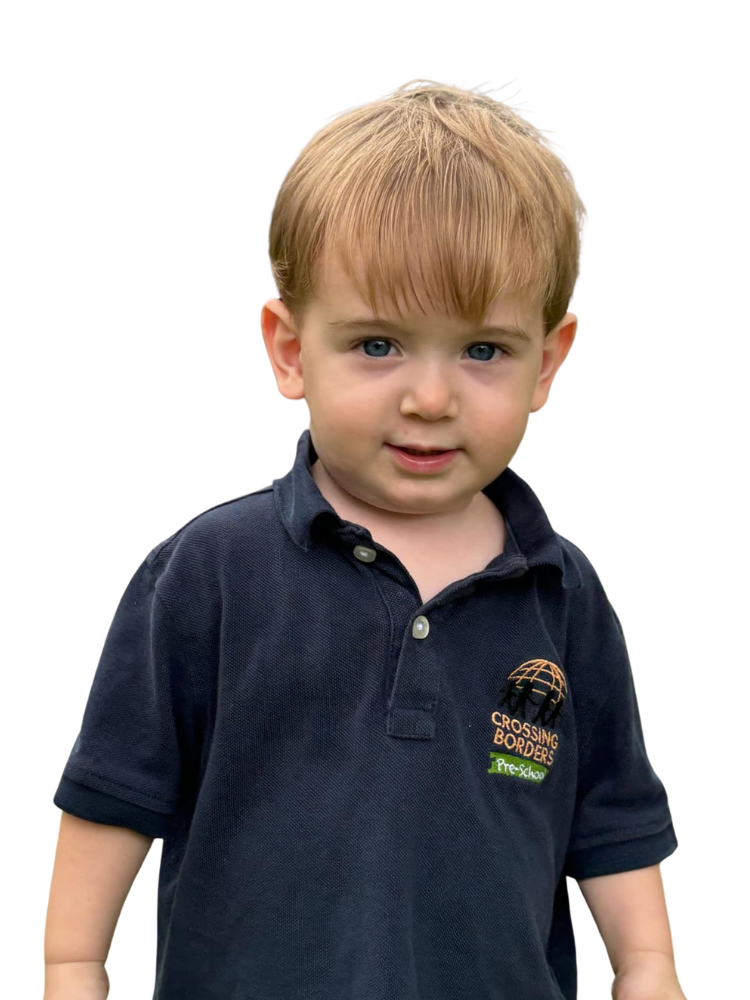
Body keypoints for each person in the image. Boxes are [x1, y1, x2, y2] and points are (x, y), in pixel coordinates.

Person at [44, 76, 684, 999]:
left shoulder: (563, 594)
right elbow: (113, 795)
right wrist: (72, 969)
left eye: (483, 350)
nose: (429, 398)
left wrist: (650, 968)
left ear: (549, 363)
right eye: (378, 345)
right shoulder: (205, 575)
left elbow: (613, 819)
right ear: (290, 349)